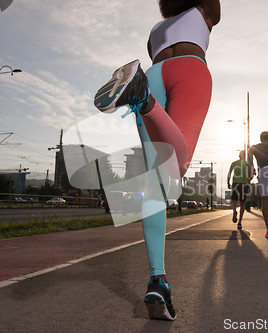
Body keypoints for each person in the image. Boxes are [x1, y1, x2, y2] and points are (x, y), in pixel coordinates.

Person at [93, 0, 221, 321]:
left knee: (156, 181)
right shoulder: (205, 11)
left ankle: (158, 280)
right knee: (175, 166)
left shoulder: (156, 31)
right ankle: (143, 99)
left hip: (153, 72)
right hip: (188, 69)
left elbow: (159, 47)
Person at [226, 150, 251, 229]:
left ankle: (234, 211)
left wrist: (228, 183)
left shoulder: (234, 163)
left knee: (234, 200)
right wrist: (248, 180)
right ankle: (239, 222)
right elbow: (250, 175)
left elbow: (229, 173)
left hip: (235, 183)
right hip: (244, 184)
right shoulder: (247, 164)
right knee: (242, 203)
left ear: (239, 156)